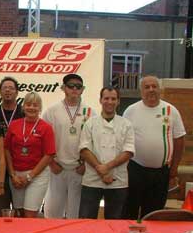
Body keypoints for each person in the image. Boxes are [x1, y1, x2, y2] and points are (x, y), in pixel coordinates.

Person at [123, 75, 185, 219]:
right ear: (141, 91)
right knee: (129, 211)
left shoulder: (171, 110)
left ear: (160, 89)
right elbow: (122, 140)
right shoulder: (130, 111)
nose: (151, 90)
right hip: (135, 170)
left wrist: (174, 169)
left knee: (153, 214)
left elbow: (179, 139)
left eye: (154, 86)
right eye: (147, 87)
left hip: (161, 173)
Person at [43, 73, 95, 219]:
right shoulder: (51, 111)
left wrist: (86, 164)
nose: (74, 89)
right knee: (52, 213)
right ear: (63, 88)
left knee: (76, 214)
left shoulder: (91, 112)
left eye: (78, 87)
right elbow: (43, 140)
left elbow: (95, 142)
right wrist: (51, 163)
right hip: (57, 168)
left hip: (79, 169)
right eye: (70, 86)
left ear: (83, 90)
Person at [78, 87, 135, 219]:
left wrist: (107, 167)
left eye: (113, 99)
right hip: (92, 181)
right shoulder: (90, 123)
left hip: (117, 181)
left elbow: (128, 151)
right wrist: (101, 170)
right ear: (100, 100)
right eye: (106, 98)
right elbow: (84, 150)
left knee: (115, 224)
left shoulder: (126, 124)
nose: (109, 102)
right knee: (86, 221)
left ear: (118, 101)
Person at [4, 92, 56, 218]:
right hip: (16, 175)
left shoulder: (46, 127)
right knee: (19, 212)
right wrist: (12, 175)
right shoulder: (14, 125)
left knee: (30, 213)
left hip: (37, 175)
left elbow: (49, 155)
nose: (31, 108)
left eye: (35, 105)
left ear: (40, 108)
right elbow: (7, 150)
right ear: (23, 106)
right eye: (28, 104)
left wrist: (29, 176)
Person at [0, 76, 24, 214]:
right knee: (0, 209)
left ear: (17, 92)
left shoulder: (24, 113)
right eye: (4, 88)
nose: (8, 91)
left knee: (20, 210)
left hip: (20, 166)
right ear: (0, 92)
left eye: (11, 88)